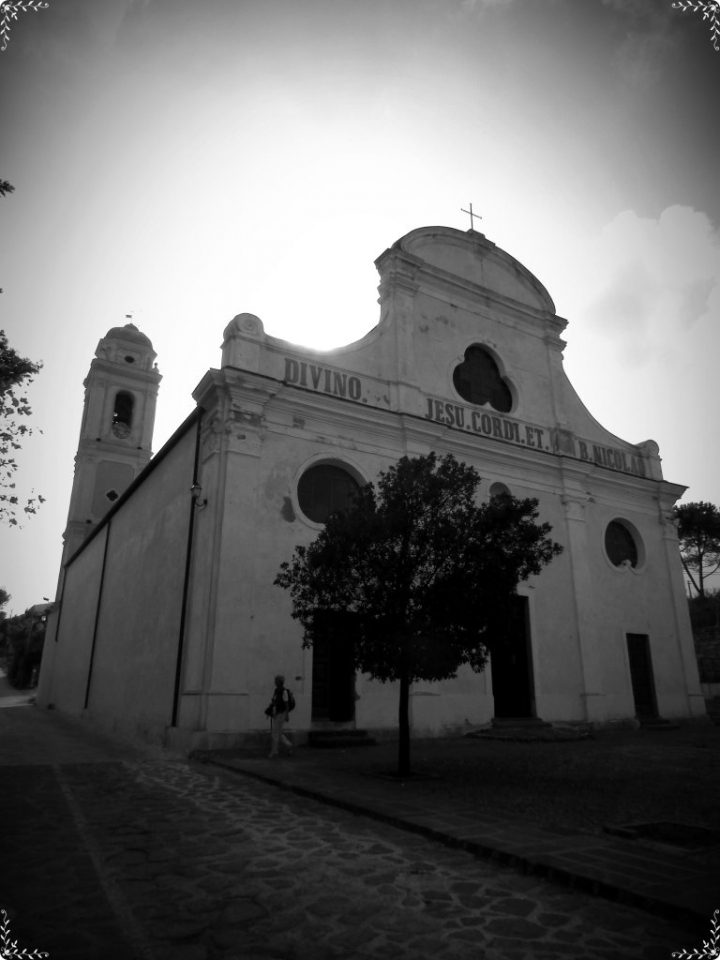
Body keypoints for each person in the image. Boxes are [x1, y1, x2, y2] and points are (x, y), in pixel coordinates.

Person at [267, 674, 293, 758]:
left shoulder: (284, 691)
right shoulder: (276, 690)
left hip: (281, 713)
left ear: (279, 682)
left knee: (275, 732)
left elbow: (286, 703)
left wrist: (287, 715)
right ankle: (289, 745)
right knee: (278, 733)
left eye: (276, 681)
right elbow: (275, 701)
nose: (274, 682)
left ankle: (274, 751)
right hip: (277, 713)